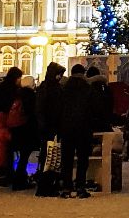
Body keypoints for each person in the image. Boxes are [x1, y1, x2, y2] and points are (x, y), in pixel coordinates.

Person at [58, 63, 96, 198]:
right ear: (83, 73)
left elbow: (59, 109)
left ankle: (66, 187)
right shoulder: (88, 88)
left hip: (67, 128)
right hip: (83, 128)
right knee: (82, 159)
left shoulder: (64, 88)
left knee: (67, 159)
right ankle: (80, 187)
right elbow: (93, 109)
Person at [34, 63, 66, 197]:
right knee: (49, 157)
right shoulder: (49, 88)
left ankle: (48, 184)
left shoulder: (49, 87)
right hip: (50, 127)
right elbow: (42, 109)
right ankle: (45, 186)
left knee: (51, 156)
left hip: (51, 127)